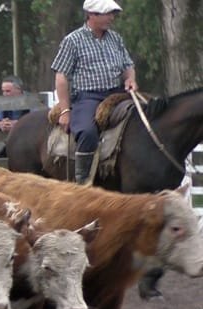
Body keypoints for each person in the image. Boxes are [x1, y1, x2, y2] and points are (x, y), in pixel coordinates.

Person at [51, 0, 136, 183]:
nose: (111, 18)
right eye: (108, 14)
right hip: (87, 97)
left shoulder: (115, 38)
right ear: (92, 15)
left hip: (117, 94)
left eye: (112, 14)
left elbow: (128, 65)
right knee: (87, 132)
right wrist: (65, 111)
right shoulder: (73, 40)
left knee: (143, 117)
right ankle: (83, 181)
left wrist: (130, 79)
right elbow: (61, 77)